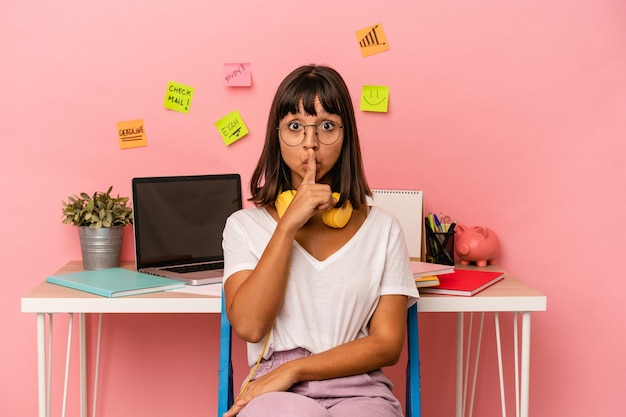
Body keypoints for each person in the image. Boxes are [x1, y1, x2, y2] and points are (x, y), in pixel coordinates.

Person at [222, 64, 419, 417]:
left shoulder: (384, 229)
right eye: (295, 127)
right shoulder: (243, 226)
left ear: (346, 137)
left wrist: (295, 369)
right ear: (276, 136)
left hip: (361, 389)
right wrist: (286, 228)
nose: (311, 143)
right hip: (275, 393)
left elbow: (387, 345)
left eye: (326, 126)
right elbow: (250, 327)